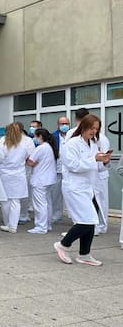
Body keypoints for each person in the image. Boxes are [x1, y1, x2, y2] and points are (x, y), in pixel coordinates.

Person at [54, 114, 109, 266]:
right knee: (87, 221)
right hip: (74, 187)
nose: (94, 131)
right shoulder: (72, 144)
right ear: (83, 126)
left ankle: (84, 254)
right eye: (91, 128)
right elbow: (73, 165)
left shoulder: (92, 143)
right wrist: (94, 159)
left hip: (87, 187)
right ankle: (63, 244)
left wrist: (104, 161)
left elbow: (95, 166)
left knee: (91, 221)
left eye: (96, 129)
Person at [0, 123, 29, 234]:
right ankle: (13, 226)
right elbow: (27, 156)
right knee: (16, 200)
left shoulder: (3, 142)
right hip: (19, 174)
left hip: (5, 174)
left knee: (5, 200)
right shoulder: (23, 143)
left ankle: (7, 223)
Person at [26, 128, 58, 234]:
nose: (34, 139)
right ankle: (47, 224)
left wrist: (26, 158)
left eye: (35, 136)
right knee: (47, 203)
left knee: (40, 204)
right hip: (48, 179)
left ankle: (41, 226)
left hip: (40, 180)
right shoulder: (49, 147)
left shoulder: (41, 148)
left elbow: (31, 162)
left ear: (40, 136)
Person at [51, 116, 71, 223]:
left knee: (71, 194)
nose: (64, 126)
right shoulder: (52, 137)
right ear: (57, 125)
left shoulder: (73, 136)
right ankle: (56, 215)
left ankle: (74, 217)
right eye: (62, 123)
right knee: (56, 194)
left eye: (66, 123)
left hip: (71, 170)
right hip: (57, 169)